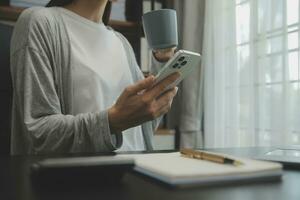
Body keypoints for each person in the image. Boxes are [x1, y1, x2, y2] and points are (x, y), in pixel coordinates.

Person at [10, 0, 179, 155]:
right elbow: (39, 134)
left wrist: (162, 65)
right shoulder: (39, 22)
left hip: (142, 175)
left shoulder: (121, 42)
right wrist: (111, 122)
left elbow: (141, 129)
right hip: (84, 182)